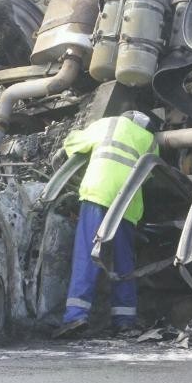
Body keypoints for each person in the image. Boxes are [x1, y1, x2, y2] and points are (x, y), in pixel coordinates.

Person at [54, 110, 158, 338]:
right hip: (128, 204)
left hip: (98, 193)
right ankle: (124, 321)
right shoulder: (151, 140)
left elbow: (73, 143)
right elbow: (150, 176)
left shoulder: (108, 123)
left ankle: (76, 317)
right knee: (124, 262)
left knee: (88, 255)